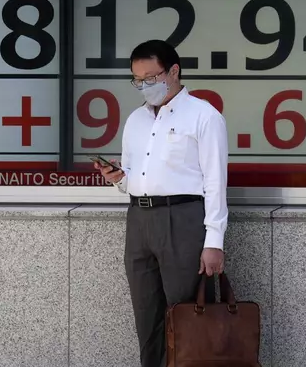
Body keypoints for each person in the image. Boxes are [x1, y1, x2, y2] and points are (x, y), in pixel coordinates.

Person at [94, 39, 229, 367]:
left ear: (174, 71)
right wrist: (118, 178)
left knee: (187, 314)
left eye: (151, 78)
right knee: (146, 315)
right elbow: (131, 178)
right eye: (137, 80)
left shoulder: (204, 117)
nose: (144, 86)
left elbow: (215, 183)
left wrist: (214, 241)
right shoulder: (135, 120)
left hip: (182, 219)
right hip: (139, 220)